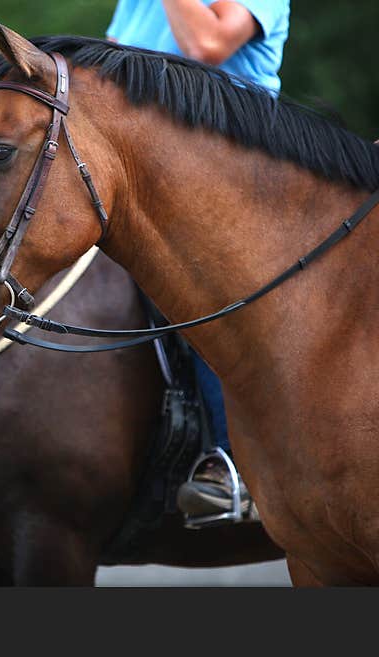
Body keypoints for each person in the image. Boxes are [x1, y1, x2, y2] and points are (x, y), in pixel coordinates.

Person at [106, 0, 290, 524]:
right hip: (148, 178)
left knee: (195, 279)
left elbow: (207, 46)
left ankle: (235, 461)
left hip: (233, 174)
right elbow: (111, 77)